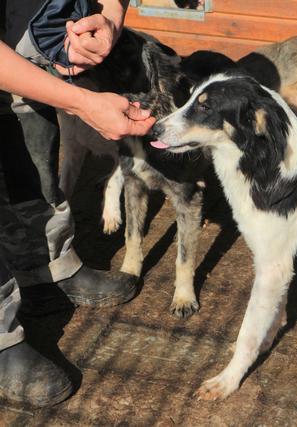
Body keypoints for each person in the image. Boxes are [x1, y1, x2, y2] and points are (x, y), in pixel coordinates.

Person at [0, 0, 155, 407]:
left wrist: (109, 18)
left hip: (18, 38)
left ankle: (45, 267)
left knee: (26, 120)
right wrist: (82, 102)